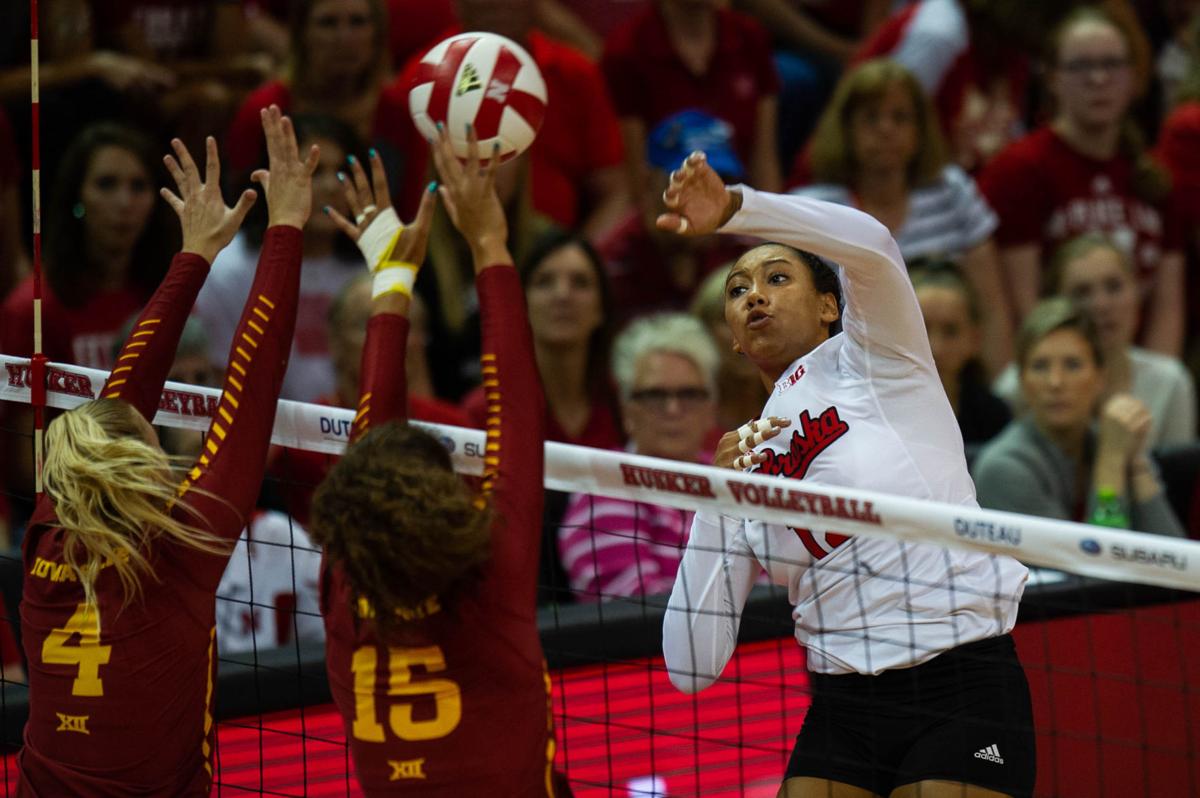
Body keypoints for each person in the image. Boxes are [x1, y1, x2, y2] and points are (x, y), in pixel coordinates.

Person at [658, 151, 1032, 797]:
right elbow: (691, 669)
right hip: (843, 707)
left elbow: (873, 245)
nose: (754, 295)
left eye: (777, 278)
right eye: (738, 290)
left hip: (960, 681)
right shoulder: (744, 458)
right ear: (735, 340)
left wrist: (737, 209)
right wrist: (716, 501)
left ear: (831, 305)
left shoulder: (878, 355)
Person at [18, 106, 316, 794]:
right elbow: (253, 385)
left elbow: (130, 395)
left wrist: (198, 253)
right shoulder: (180, 547)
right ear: (145, 466)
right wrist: (284, 229)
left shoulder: (43, 537)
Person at [309, 124, 560, 794]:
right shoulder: (489, 571)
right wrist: (488, 240)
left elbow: (372, 451)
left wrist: (400, 274)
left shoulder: (344, 586)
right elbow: (518, 403)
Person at [979, 6, 1186, 356]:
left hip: (1138, 367)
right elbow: (1024, 309)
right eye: (1081, 66)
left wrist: (1156, 378)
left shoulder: (1156, 176)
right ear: (1052, 78)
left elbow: (1168, 309)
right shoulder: (1018, 171)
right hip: (1052, 365)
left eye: (1111, 64)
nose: (1098, 79)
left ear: (1133, 77)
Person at [796, 58, 1012, 376]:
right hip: (848, 377)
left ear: (920, 130)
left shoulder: (951, 191)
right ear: (845, 129)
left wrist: (996, 392)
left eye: (900, 117)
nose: (886, 129)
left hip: (950, 373)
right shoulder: (814, 208)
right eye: (871, 118)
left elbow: (991, 308)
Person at [389, 0, 629, 239]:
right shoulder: (420, 80)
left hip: (550, 248)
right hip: (439, 248)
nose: (498, 4)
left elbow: (616, 191)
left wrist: (577, 254)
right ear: (456, 5)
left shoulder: (575, 74)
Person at [974, 298, 1185, 537]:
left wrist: (1136, 462)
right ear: (1022, 381)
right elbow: (1095, 558)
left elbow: (1174, 554)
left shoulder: (1111, 438)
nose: (1055, 382)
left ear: (1100, 377)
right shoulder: (1003, 469)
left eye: (1072, 365)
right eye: (1040, 366)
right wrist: (1111, 460)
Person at [196, 114, 366, 403]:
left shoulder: (367, 269)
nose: (330, 186)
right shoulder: (231, 268)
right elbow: (218, 377)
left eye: (341, 173)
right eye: (314, 172)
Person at [558, 313, 719, 601]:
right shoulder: (605, 483)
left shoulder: (732, 479)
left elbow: (775, 586)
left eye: (689, 394)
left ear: (710, 408)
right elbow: (639, 611)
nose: (673, 410)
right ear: (627, 409)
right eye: (655, 395)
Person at [993, 235, 1196, 448]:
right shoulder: (1013, 389)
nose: (1101, 305)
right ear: (1054, 305)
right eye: (1081, 292)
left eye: (1114, 287)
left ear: (1137, 294)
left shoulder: (1171, 382)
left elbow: (1177, 468)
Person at [601, 0, 782, 215]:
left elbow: (764, 159)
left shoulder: (749, 37)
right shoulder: (626, 51)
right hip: (667, 207)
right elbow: (635, 179)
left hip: (738, 205)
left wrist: (771, 222)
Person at [462, 229, 622, 450]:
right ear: (521, 305)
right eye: (545, 282)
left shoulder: (624, 406)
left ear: (601, 308)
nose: (563, 295)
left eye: (580, 282)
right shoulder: (485, 410)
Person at [910, 264, 1011, 448]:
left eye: (951, 331)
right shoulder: (874, 411)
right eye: (922, 329)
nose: (936, 348)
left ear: (975, 339)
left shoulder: (994, 416)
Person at [690, 266, 770, 433]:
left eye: (757, 317)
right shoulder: (681, 404)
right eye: (728, 318)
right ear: (704, 328)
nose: (745, 331)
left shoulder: (801, 400)